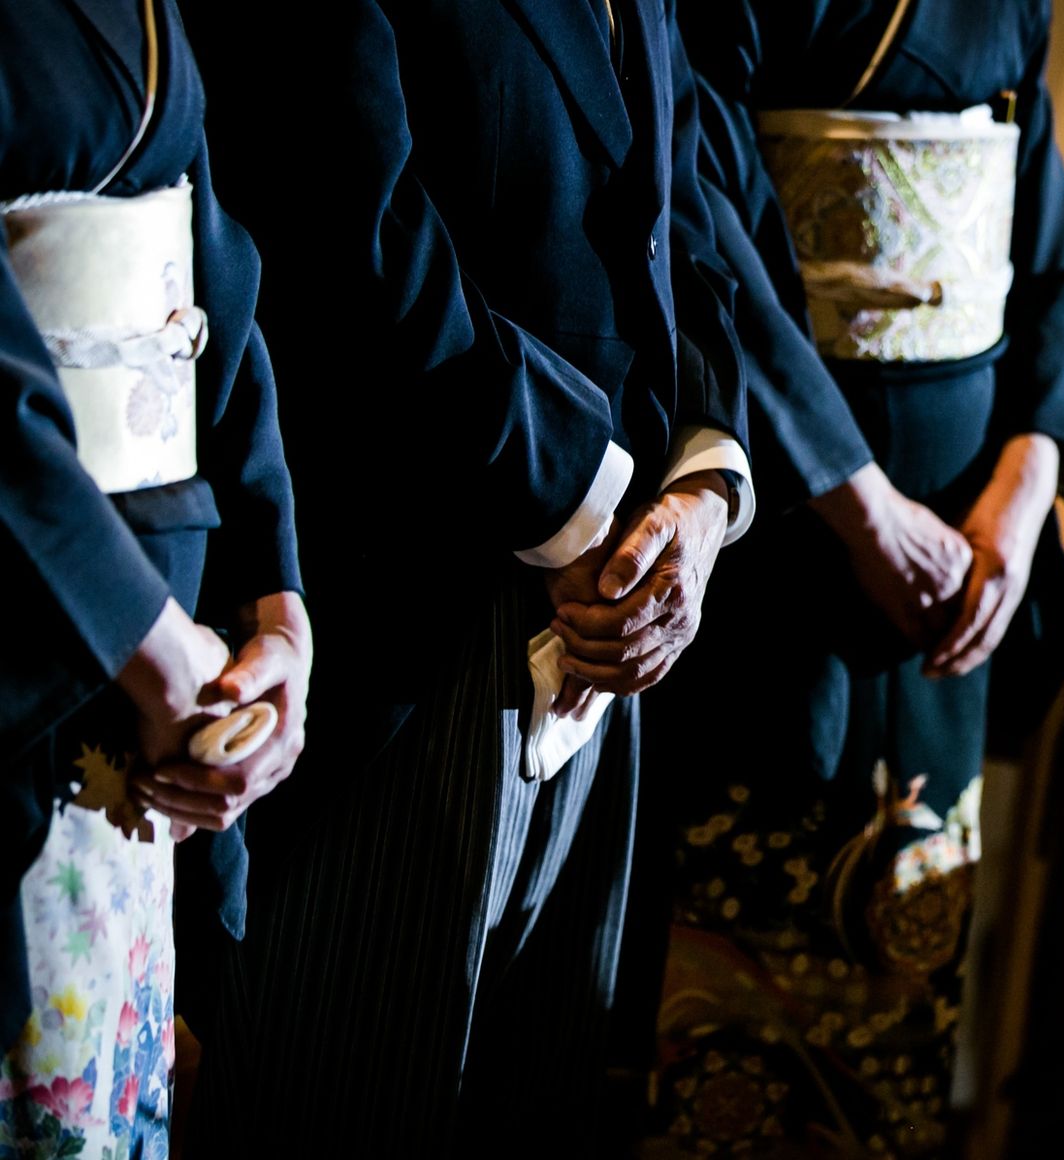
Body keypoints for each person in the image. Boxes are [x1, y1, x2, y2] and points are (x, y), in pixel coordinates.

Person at [177, 1, 754, 1156]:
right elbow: (347, 221)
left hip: (623, 605)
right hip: (403, 616)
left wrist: (703, 481)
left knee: (538, 1108)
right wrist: (581, 501)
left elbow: (679, 205)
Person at [614, 0, 1064, 1155]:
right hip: (786, 543)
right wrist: (862, 508)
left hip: (962, 544)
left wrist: (1024, 482)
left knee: (904, 966)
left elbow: (1043, 244)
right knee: (741, 989)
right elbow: (703, 226)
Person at [0, 1, 311, 1153]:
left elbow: (207, 285)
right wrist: (159, 647)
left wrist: (275, 608)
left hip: (154, 675)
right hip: (51, 638)